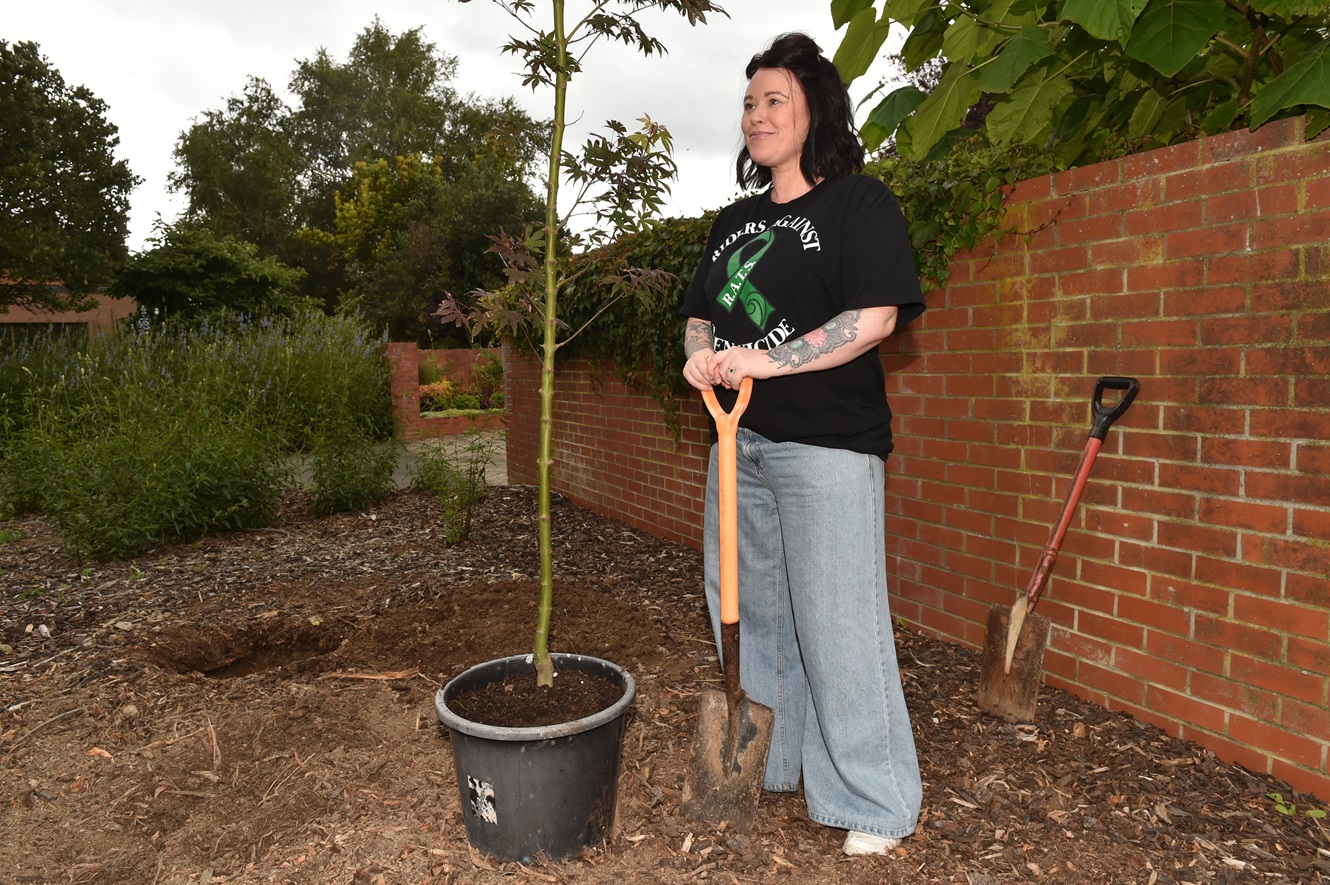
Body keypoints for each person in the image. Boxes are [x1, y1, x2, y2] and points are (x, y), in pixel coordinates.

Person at [679, 32, 926, 856]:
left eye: (773, 98)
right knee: (745, 609)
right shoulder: (733, 221)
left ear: (813, 109)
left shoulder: (860, 205)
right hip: (737, 441)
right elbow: (703, 308)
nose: (756, 114)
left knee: (839, 619)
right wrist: (698, 353)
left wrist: (767, 359)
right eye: (749, 102)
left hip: (827, 445)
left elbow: (875, 318)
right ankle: (774, 761)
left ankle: (875, 800)